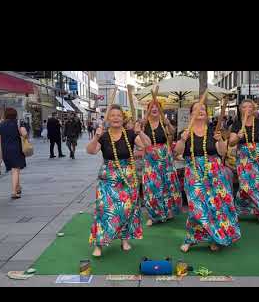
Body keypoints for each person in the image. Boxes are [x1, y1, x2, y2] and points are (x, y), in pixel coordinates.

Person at [175, 102, 241, 253]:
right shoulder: (185, 132)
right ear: (191, 114)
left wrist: (220, 140)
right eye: (197, 109)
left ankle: (214, 238)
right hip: (194, 172)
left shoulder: (214, 131)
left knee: (215, 207)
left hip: (214, 172)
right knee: (196, 208)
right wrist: (183, 140)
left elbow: (223, 153)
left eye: (203, 109)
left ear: (207, 113)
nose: (201, 111)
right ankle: (191, 239)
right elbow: (177, 152)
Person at [86, 104, 146, 257]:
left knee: (126, 210)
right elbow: (91, 151)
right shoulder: (104, 136)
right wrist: (96, 136)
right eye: (112, 115)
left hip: (128, 177)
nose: (115, 118)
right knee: (103, 210)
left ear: (123, 118)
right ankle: (99, 244)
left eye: (118, 115)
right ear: (108, 118)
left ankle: (124, 239)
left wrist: (141, 133)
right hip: (108, 178)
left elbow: (147, 145)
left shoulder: (131, 134)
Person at [140, 96, 182, 227]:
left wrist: (168, 123)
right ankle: (154, 215)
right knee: (152, 186)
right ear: (147, 110)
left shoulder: (164, 122)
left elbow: (173, 132)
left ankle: (168, 211)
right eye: (151, 107)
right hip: (150, 157)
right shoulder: (143, 124)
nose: (154, 109)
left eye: (156, 107)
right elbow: (138, 137)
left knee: (167, 184)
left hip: (165, 157)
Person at [0, 108, 27, 199]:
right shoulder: (18, 123)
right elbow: (24, 134)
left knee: (16, 168)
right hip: (16, 149)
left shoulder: (1, 125)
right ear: (15, 114)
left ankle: (18, 187)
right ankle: (14, 191)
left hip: (5, 151)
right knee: (15, 170)